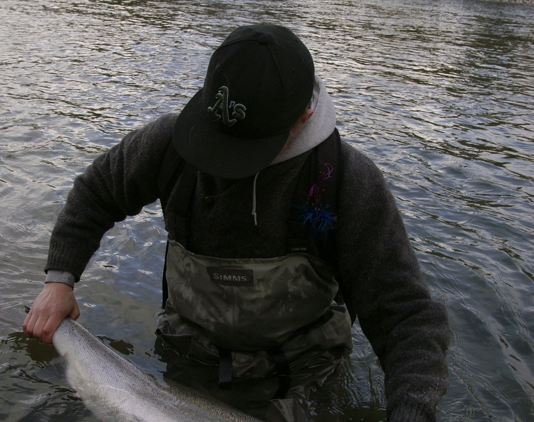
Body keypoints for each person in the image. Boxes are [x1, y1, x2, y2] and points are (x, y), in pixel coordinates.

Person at [23, 24, 450, 421]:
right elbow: (96, 192)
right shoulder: (171, 145)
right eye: (216, 141)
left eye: (242, 150)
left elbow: (406, 318)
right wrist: (59, 280)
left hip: (304, 377)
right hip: (188, 359)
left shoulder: (346, 183)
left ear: (304, 115)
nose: (221, 164)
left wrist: (411, 411)